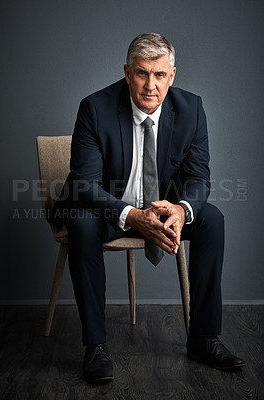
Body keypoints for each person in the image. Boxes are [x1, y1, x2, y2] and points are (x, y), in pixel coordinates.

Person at [53, 32, 245, 383]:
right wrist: (132, 216)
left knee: (212, 218)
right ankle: (95, 345)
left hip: (160, 207)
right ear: (127, 73)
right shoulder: (95, 108)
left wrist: (182, 210)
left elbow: (199, 178)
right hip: (107, 209)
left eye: (159, 75)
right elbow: (84, 185)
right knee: (80, 222)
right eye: (141, 74)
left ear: (172, 75)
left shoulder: (192, 109)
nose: (150, 86)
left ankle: (203, 338)